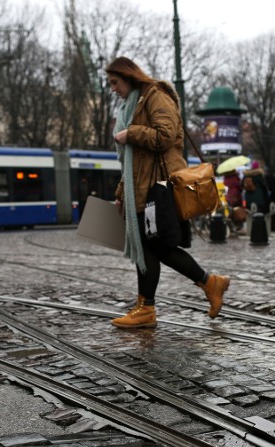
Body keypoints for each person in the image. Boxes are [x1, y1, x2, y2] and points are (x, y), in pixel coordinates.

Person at [106, 56, 230, 328]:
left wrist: (132, 133)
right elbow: (132, 162)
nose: (113, 88)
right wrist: (120, 193)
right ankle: (148, 306)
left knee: (157, 247)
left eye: (115, 82)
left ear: (129, 77)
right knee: (148, 249)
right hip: (140, 190)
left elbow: (166, 134)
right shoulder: (131, 105)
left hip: (157, 189)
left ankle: (207, 284)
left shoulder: (155, 96)